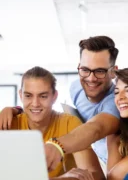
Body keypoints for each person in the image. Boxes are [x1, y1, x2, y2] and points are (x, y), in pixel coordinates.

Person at [11, 66, 106, 180]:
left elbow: (98, 179)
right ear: (20, 95)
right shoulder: (10, 124)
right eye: (28, 96)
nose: (35, 103)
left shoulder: (69, 123)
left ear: (54, 96)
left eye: (43, 96)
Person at [45, 36, 121, 171]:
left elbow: (96, 128)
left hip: (119, 165)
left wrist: (56, 145)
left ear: (113, 71)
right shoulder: (76, 88)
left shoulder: (117, 100)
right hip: (93, 156)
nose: (91, 79)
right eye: (85, 70)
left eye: (100, 71)